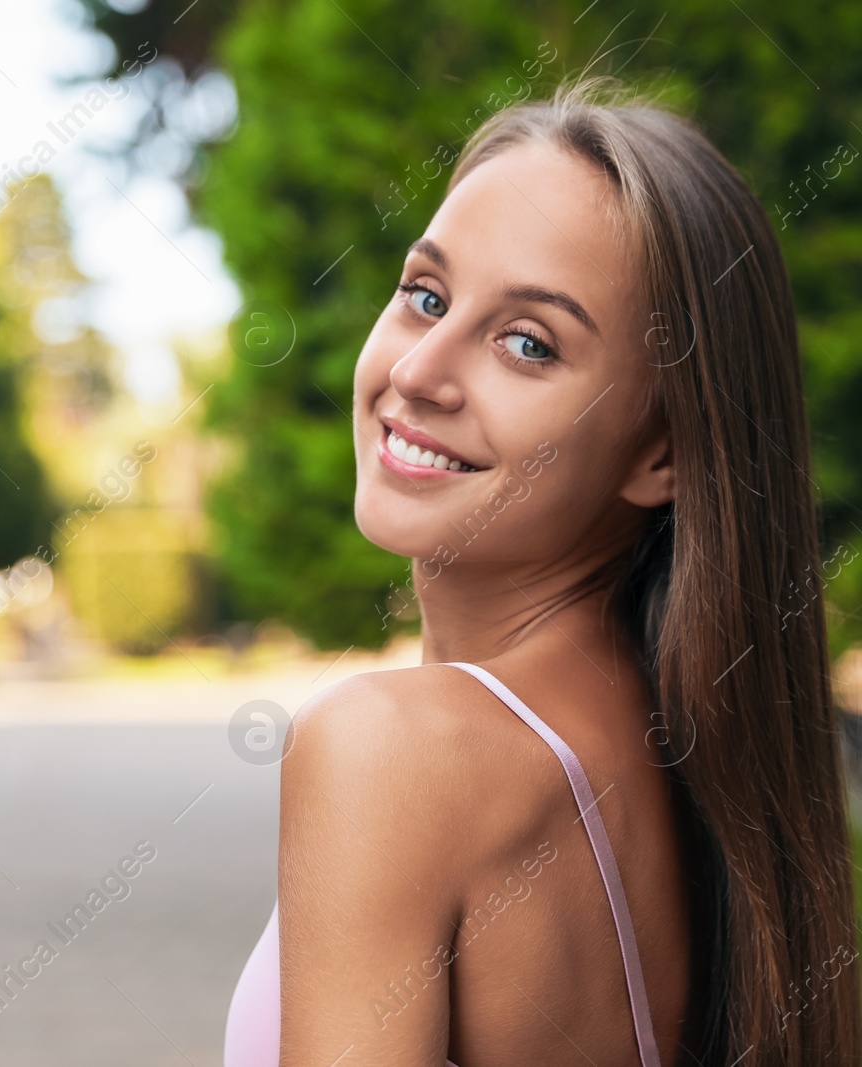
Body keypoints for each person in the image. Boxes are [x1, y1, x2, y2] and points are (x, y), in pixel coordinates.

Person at [223, 77, 862, 1066]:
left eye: (528, 344)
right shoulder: (684, 753)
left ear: (664, 452)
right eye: (424, 295)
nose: (417, 371)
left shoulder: (387, 747)